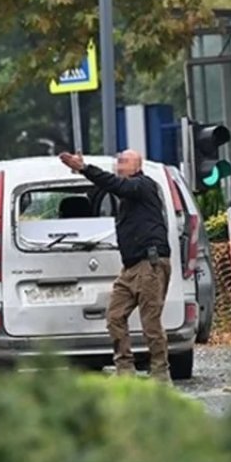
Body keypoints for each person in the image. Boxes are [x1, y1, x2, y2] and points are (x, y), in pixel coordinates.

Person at [58, 149, 173, 382]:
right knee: (114, 316)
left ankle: (161, 372)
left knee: (150, 321)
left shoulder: (143, 185)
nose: (118, 164)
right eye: (118, 161)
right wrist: (83, 171)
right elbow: (112, 185)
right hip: (131, 267)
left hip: (149, 264)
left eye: (124, 161)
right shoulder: (128, 193)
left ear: (136, 165)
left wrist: (85, 168)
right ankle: (125, 369)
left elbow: (115, 185)